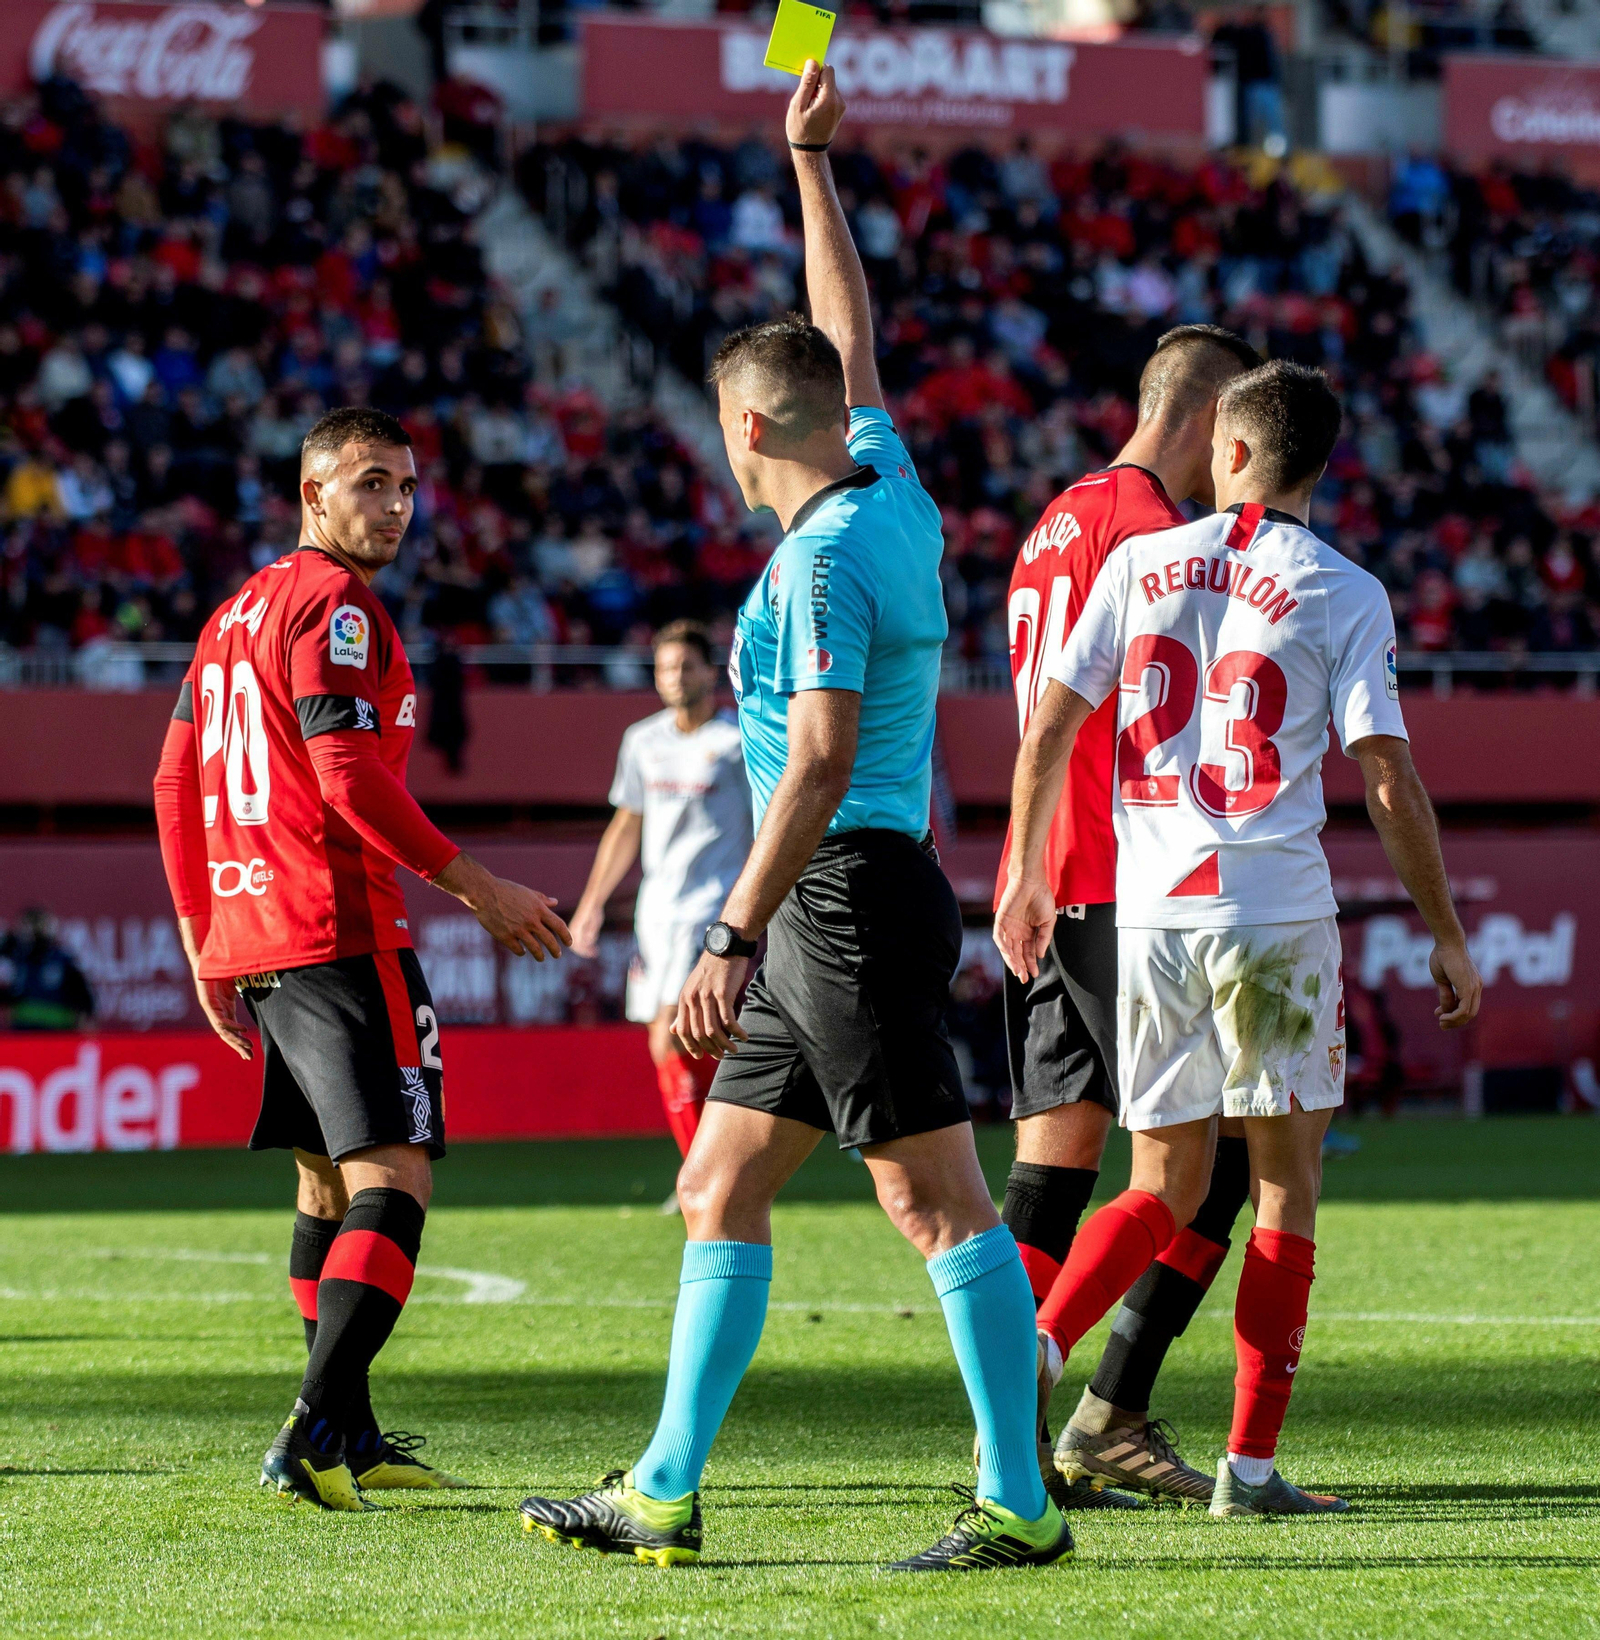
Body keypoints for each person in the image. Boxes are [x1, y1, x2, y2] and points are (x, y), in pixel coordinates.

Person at [518, 63, 1073, 1574]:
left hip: (836, 891)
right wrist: (811, 167)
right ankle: (664, 1491)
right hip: (846, 893)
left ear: (751, 420)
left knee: (933, 1199)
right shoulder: (889, 481)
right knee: (721, 1180)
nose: (719, 435)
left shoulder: (824, 560)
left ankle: (1021, 1504)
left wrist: (728, 931)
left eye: (722, 416)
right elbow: (856, 343)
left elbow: (819, 761)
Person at [996, 361, 1482, 1516]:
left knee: (1159, 1179)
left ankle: (1039, 1348)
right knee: (1283, 1189)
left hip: (1152, 912)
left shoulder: (1138, 562)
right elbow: (1383, 774)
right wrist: (1445, 929)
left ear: (1227, 447)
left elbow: (1050, 725)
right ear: (1319, 464)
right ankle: (1248, 1467)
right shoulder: (1345, 588)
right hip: (1271, 915)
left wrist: (1020, 866)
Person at [152, 406, 571, 1512]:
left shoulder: (228, 614)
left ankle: (357, 1426)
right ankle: (312, 1426)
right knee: (397, 1174)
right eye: (369, 483)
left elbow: (171, 778)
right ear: (313, 494)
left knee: (323, 1177)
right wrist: (480, 887)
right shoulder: (335, 606)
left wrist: (203, 935)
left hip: (253, 931)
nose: (392, 505)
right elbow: (344, 773)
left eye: (405, 485)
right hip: (336, 925)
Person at [996, 323, 1265, 1511]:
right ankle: (1099, 1408)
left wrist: (1018, 860)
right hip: (1132, 880)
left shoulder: (1049, 521)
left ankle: (1005, 1409)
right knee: (1215, 1165)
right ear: (1211, 419)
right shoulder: (1164, 540)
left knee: (1054, 1165)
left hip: (1052, 877)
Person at [568, 620, 751, 1191]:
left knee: (677, 1030)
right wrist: (592, 904)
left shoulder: (737, 738)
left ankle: (704, 1173)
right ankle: (705, 1170)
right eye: (665, 667)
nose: (674, 677)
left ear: (709, 672)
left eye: (685, 666)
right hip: (657, 910)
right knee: (670, 1039)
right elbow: (627, 824)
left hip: (714, 910)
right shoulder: (642, 741)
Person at [0, 908, 95, 1029]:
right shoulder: (17, 959)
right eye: (26, 926)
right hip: (23, 1036)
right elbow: (10, 994)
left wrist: (86, 1022)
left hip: (57, 1036)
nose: (30, 932)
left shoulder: (62, 961)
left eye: (36, 926)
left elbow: (84, 998)